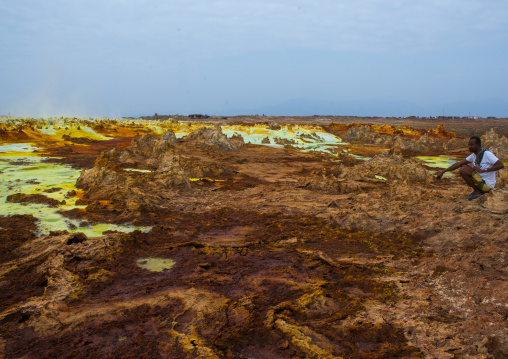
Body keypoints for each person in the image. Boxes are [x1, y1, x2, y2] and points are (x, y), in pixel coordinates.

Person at [436, 136, 504, 200]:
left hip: (486, 186)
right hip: (480, 181)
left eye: (471, 145)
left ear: (478, 145)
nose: (469, 147)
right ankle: (477, 190)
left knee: (463, 169)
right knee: (463, 166)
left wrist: (483, 170)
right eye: (469, 145)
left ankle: (477, 191)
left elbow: (500, 165)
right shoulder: (474, 155)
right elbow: (459, 163)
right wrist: (443, 171)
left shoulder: (487, 154)